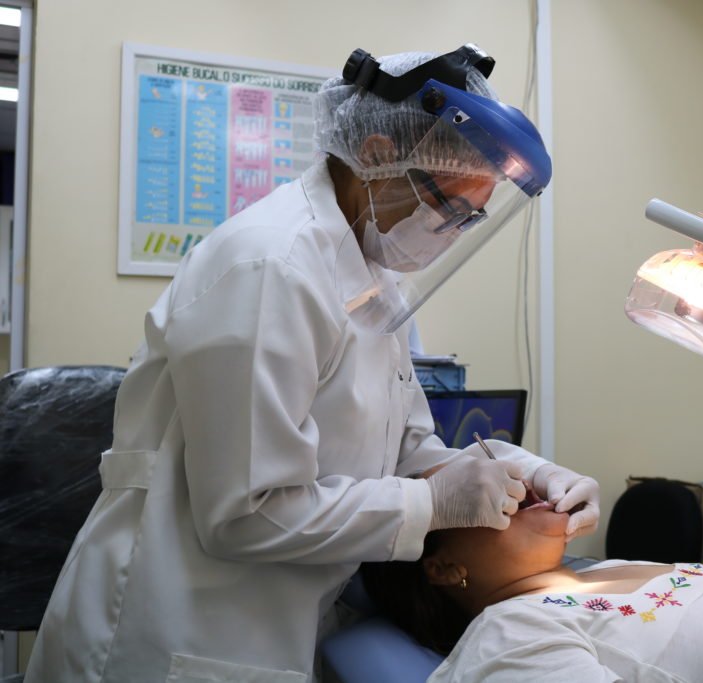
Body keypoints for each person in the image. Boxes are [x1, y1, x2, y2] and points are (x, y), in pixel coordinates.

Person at [25, 45, 599, 683]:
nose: (451, 231)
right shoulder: (273, 267)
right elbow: (247, 514)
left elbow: (404, 449)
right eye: (448, 207)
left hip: (274, 619)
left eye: (471, 218)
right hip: (180, 628)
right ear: (377, 155)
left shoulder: (370, 276)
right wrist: (431, 506)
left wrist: (518, 468)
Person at [361, 479, 703, 683]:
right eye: (473, 492)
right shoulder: (509, 633)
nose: (511, 484)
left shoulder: (604, 569)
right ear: (441, 567)